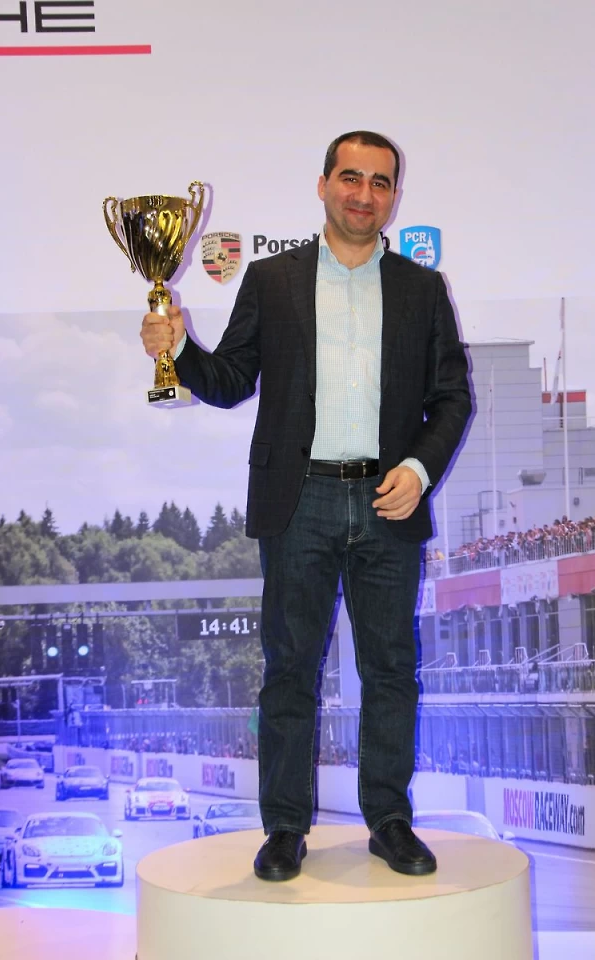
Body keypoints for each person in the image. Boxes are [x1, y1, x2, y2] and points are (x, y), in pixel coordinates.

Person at [140, 131, 471, 881]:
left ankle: (388, 820)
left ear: (394, 196)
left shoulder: (422, 289)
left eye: (380, 182)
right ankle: (285, 828)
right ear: (323, 185)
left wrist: (419, 468)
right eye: (350, 177)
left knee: (391, 669)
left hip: (389, 500)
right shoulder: (272, 279)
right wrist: (178, 347)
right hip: (299, 501)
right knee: (289, 671)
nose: (364, 194)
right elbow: (229, 381)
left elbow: (452, 398)